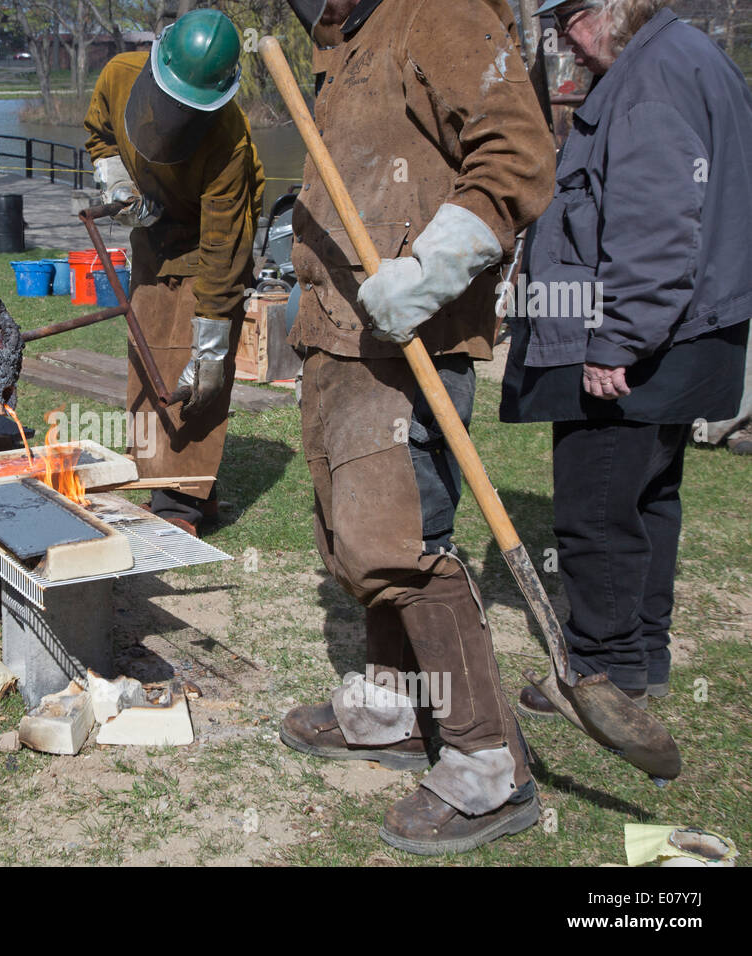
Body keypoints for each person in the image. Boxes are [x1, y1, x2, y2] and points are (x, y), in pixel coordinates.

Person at [276, 0, 556, 854]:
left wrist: (429, 273)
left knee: (401, 544)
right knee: (355, 544)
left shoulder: (437, 9)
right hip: (336, 337)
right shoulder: (346, 36)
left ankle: (485, 768)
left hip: (408, 341)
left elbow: (518, 152)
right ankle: (392, 712)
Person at [501, 0, 752, 714]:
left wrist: (615, 340)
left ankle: (603, 674)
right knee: (648, 499)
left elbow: (655, 227)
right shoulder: (689, 58)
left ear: (609, 8)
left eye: (570, 20)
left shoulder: (649, 83)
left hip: (639, 343)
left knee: (600, 507)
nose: (566, 43)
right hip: (685, 336)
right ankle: (643, 654)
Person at [84, 9, 264, 536]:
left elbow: (222, 247)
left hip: (209, 247)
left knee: (195, 374)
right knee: (148, 360)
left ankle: (179, 505)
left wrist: (212, 341)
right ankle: (167, 484)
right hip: (152, 239)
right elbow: (99, 134)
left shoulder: (228, 141)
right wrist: (116, 180)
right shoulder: (119, 76)